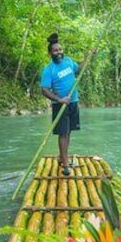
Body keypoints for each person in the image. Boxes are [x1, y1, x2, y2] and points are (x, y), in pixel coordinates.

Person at [40, 33, 80, 176]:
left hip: (73, 102)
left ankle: (62, 156)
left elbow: (78, 69)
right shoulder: (49, 69)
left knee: (68, 132)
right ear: (50, 53)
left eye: (60, 49)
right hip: (60, 105)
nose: (59, 52)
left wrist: (89, 57)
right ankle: (65, 164)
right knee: (63, 134)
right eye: (56, 50)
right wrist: (59, 99)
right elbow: (44, 90)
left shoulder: (69, 61)